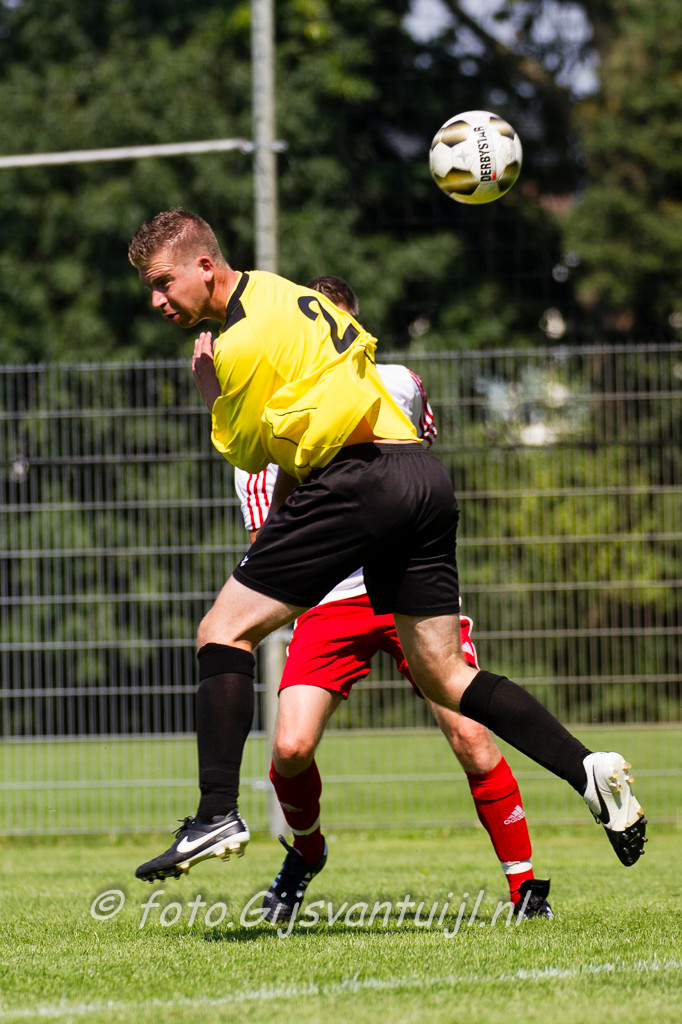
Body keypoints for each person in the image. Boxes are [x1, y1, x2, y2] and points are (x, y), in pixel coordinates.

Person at [128, 208, 647, 886]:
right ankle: (587, 769)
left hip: (357, 483)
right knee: (446, 676)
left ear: (204, 265)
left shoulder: (240, 341)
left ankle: (216, 813)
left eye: (163, 282)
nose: (157, 300)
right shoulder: (287, 292)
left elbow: (248, 451)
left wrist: (211, 392)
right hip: (419, 476)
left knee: (222, 631)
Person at [234, 276, 552, 921]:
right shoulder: (265, 434)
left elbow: (414, 462)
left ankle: (525, 889)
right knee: (290, 749)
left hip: (407, 589)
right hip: (330, 603)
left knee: (471, 737)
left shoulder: (400, 384)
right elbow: (274, 547)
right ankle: (307, 853)